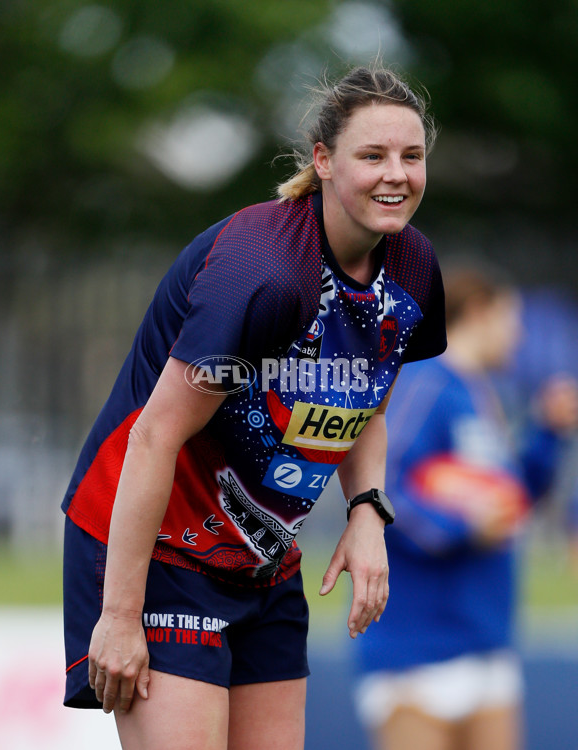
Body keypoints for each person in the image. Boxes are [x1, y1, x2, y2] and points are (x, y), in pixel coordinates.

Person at [62, 62, 447, 750]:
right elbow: (153, 438)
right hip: (161, 554)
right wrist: (120, 616)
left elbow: (369, 405)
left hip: (264, 560)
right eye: (373, 155)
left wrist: (367, 512)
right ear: (323, 161)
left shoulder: (415, 268)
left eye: (411, 156)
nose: (397, 174)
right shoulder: (265, 273)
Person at [352, 263, 578, 750]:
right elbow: (379, 490)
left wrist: (548, 433)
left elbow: (509, 500)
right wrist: (462, 527)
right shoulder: (423, 382)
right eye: (510, 319)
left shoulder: (479, 394)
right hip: (417, 644)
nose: (518, 336)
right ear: (479, 313)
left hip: (485, 638)